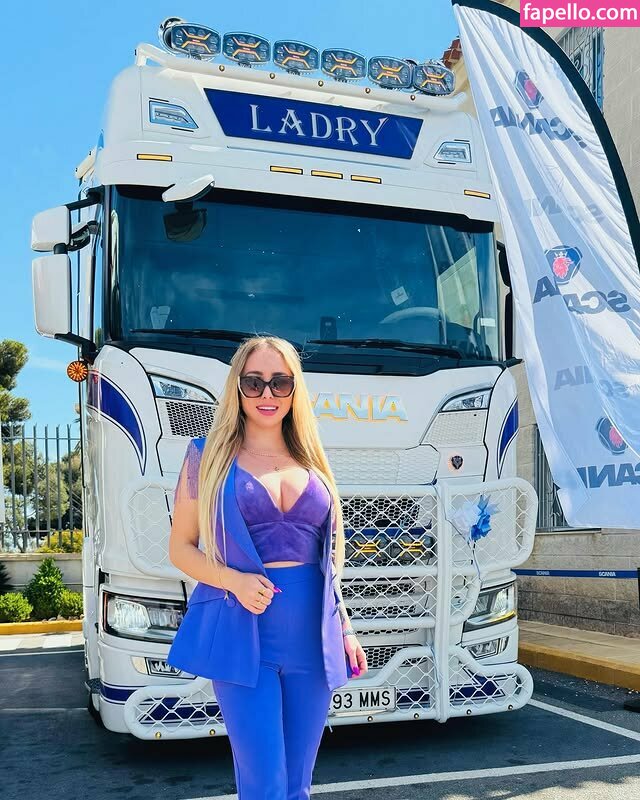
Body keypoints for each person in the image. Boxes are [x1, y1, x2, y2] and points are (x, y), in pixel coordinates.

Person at [167, 334, 368, 800]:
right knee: (265, 786)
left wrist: (345, 626)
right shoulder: (205, 456)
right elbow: (180, 548)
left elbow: (330, 558)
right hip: (243, 635)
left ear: (295, 389)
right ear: (236, 387)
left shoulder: (313, 461)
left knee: (298, 785)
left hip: (313, 638)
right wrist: (233, 581)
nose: (267, 394)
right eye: (254, 382)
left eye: (280, 382)